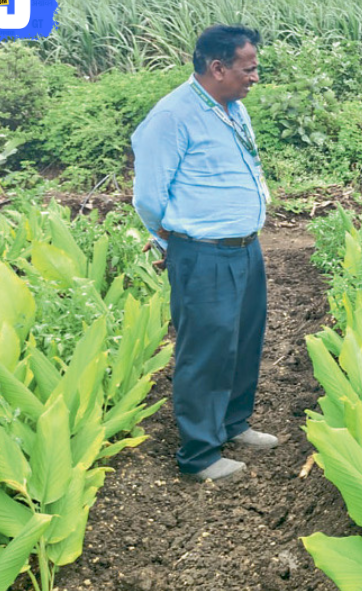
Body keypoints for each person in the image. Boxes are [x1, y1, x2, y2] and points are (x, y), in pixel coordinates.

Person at [132, 24, 278, 483]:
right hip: (203, 252)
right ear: (218, 68)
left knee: (243, 340)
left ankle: (234, 424)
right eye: (248, 68)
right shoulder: (171, 116)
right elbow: (148, 197)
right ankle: (200, 454)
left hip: (244, 247)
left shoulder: (232, 108)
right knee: (206, 350)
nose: (255, 77)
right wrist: (168, 242)